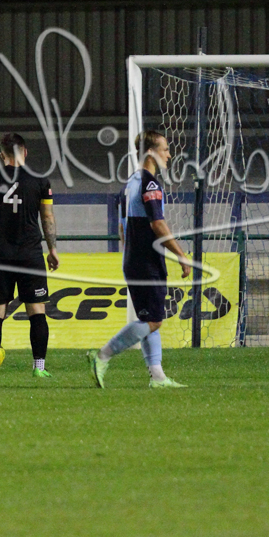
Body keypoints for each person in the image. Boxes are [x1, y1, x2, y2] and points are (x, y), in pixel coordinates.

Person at [87, 130, 191, 389]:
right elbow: (157, 224)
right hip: (146, 262)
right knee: (153, 321)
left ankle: (158, 377)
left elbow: (122, 228)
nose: (169, 155)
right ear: (151, 153)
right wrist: (181, 255)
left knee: (149, 318)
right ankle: (102, 355)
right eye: (165, 149)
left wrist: (131, 253)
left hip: (134, 259)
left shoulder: (130, 183)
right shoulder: (149, 184)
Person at [0, 132, 59, 379]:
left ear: (2, 155)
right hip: (30, 255)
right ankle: (39, 367)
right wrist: (52, 249)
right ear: (25, 152)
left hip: (0, 256)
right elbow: (47, 217)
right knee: (37, 311)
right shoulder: (40, 180)